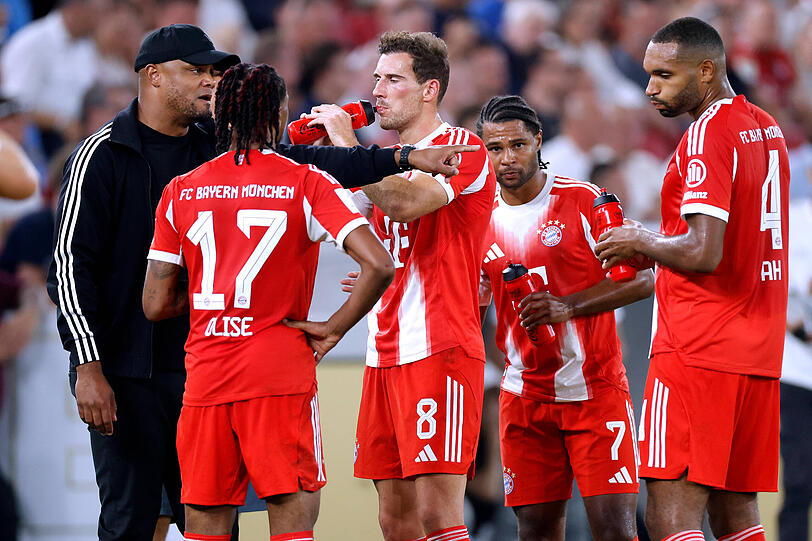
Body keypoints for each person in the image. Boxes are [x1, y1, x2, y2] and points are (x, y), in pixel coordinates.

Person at [46, 23, 477, 541]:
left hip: (200, 368)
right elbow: (69, 268)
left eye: (213, 74)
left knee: (197, 521)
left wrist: (399, 156)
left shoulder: (191, 178)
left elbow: (156, 300)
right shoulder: (105, 155)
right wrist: (87, 364)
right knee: (161, 518)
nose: (208, 81)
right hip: (175, 370)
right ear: (153, 76)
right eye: (195, 71)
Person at [142, 62, 394, 541]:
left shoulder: (181, 190)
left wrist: (213, 297)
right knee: (291, 523)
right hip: (278, 375)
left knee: (204, 527)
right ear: (279, 114)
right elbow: (379, 264)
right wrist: (335, 326)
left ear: (221, 114)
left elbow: (155, 303)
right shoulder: (307, 182)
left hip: (207, 379)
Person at [292, 31, 497, 541]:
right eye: (376, 78)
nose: (377, 91)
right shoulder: (386, 159)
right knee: (395, 519)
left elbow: (405, 204)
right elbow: (351, 227)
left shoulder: (462, 148)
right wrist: (306, 158)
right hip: (384, 351)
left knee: (438, 514)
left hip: (441, 346)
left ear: (430, 89)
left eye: (393, 79)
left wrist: (348, 146)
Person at [594, 17, 789, 541]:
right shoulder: (765, 127)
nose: (650, 87)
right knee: (736, 515)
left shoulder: (707, 134)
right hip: (757, 350)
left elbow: (704, 252)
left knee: (670, 513)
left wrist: (639, 238)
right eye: (647, 74)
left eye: (664, 75)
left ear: (706, 71)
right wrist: (656, 245)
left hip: (697, 348)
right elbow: (720, 238)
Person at [476, 95, 652, 541]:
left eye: (517, 145)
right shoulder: (477, 218)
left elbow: (641, 280)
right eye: (495, 149)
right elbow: (472, 299)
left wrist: (567, 306)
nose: (507, 158)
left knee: (614, 529)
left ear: (538, 141)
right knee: (535, 530)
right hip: (525, 397)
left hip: (595, 390)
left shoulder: (583, 200)